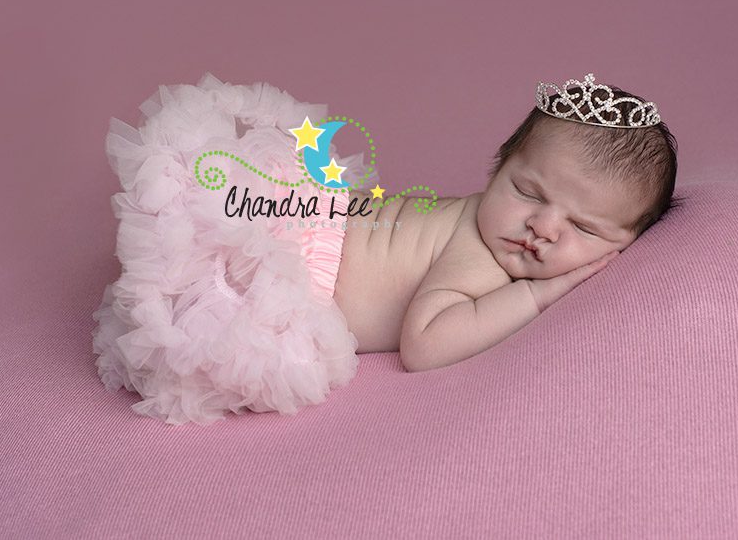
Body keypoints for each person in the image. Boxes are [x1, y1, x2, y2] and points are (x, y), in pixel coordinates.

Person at [92, 72, 678, 425]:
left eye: (585, 228)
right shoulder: (476, 251)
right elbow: (424, 344)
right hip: (289, 265)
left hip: (301, 232)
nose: (542, 228)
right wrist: (541, 295)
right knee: (194, 304)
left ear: (627, 243)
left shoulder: (505, 234)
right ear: (498, 168)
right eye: (526, 191)